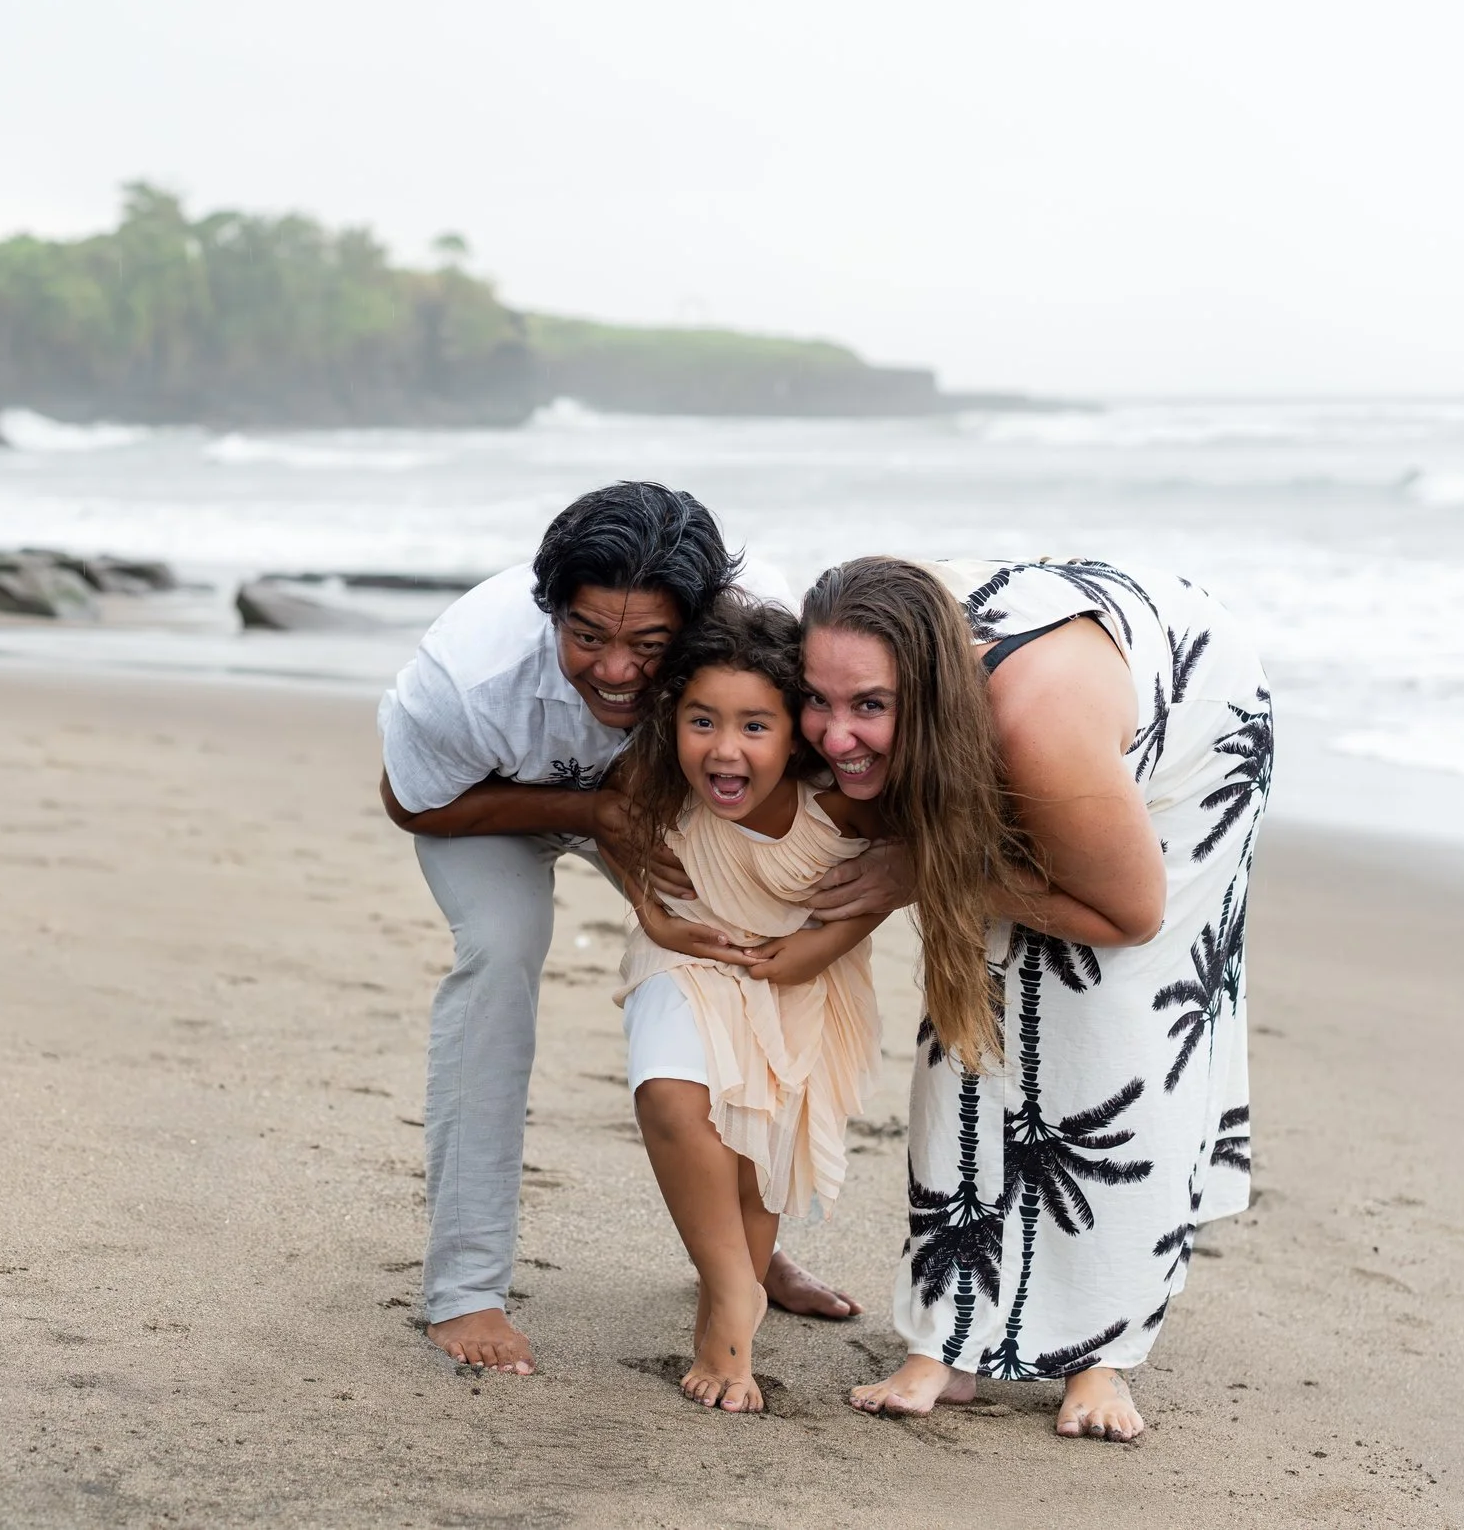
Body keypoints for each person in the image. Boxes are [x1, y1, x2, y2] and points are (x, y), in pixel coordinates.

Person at [377, 482, 860, 1377]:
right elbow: (412, 801)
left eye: (650, 645)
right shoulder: (467, 678)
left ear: (704, 620)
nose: (616, 669)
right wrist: (594, 812)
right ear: (549, 608)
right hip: (486, 809)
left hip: (653, 807)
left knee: (744, 958)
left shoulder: (762, 632)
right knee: (500, 954)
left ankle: (741, 1258)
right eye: (586, 636)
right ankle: (466, 1286)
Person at [801, 557, 1271, 1442]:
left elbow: (1131, 914)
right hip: (1046, 650)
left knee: (1112, 1015)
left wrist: (932, 869)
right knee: (975, 990)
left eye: (869, 705)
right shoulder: (856, 661)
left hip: (1194, 715)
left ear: (930, 693)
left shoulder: (1035, 729)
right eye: (817, 699)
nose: (832, 733)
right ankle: (948, 1338)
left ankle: (1100, 1357)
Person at [605, 596, 887, 1413]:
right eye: (703, 721)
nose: (724, 749)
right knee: (669, 1090)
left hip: (795, 975)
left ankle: (724, 1334)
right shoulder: (655, 777)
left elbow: (911, 864)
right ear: (673, 717)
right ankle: (736, 1289)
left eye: (755, 726)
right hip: (685, 952)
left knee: (757, 1141)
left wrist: (827, 942)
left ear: (797, 729)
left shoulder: (841, 801)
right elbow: (614, 826)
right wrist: (653, 910)